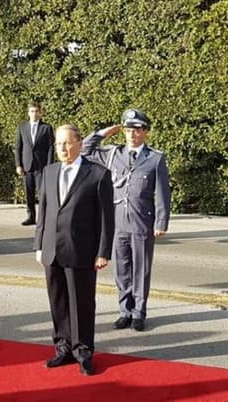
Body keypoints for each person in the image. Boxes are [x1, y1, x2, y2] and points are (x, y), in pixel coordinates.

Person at [34, 124, 114, 376]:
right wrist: (38, 244)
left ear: (79, 143)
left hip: (82, 250)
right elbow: (43, 213)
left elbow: (106, 219)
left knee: (81, 304)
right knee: (57, 302)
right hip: (51, 250)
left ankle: (83, 352)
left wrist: (103, 251)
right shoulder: (49, 172)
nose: (63, 149)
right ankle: (63, 348)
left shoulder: (98, 174)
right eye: (59, 144)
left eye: (67, 143)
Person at [81, 108, 171, 332]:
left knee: (141, 269)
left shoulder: (154, 159)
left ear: (146, 132)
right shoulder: (113, 154)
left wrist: (161, 222)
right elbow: (84, 150)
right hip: (117, 221)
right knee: (121, 269)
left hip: (142, 220)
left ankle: (139, 313)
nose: (132, 134)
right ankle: (124, 311)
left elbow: (162, 193)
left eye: (137, 130)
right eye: (129, 129)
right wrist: (102, 133)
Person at [14, 101, 54, 225]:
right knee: (28, 193)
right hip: (27, 165)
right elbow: (18, 147)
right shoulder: (22, 127)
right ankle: (31, 216)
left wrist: (49, 165)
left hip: (41, 166)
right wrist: (18, 165)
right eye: (32, 111)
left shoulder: (46, 128)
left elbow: (50, 148)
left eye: (36, 111)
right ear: (28, 113)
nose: (34, 114)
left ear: (40, 112)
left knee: (43, 193)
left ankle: (43, 218)